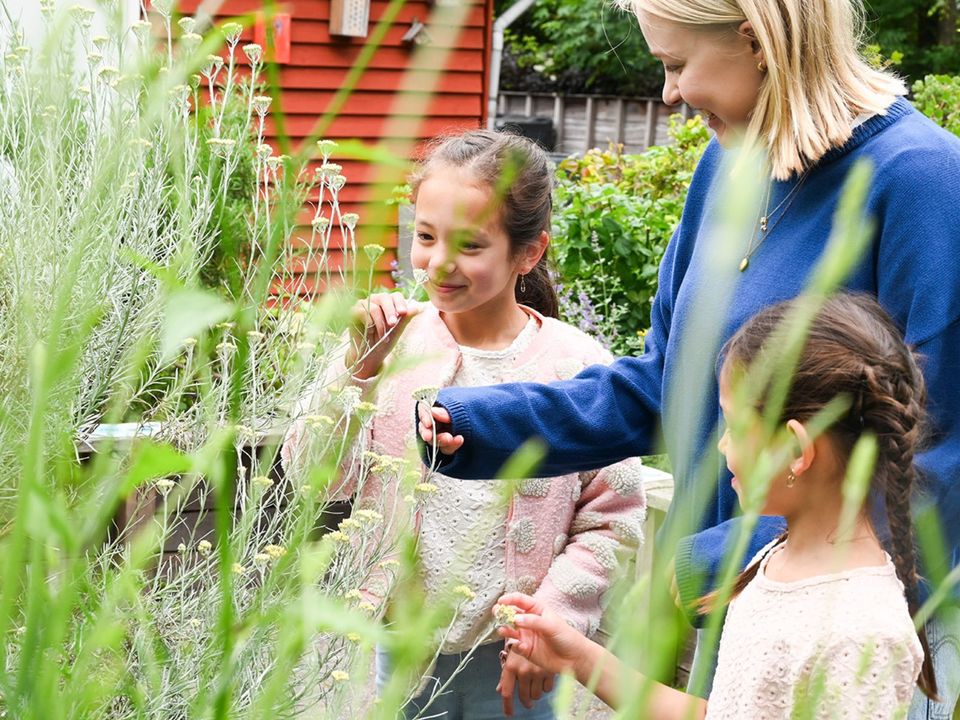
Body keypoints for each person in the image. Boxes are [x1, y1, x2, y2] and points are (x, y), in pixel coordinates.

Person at [416, 1, 960, 715]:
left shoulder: (923, 181)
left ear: (757, 40)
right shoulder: (725, 168)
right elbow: (663, 387)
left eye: (676, 64)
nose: (668, 92)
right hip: (731, 617)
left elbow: (937, 468)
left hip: (846, 634)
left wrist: (723, 559)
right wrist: (481, 423)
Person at [283, 129, 647, 719]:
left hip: (514, 660)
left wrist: (547, 623)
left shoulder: (578, 368)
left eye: (470, 245)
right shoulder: (387, 346)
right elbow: (311, 474)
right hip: (401, 648)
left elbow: (614, 515)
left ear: (528, 253)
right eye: (425, 236)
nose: (437, 262)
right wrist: (356, 372)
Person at [493, 293, 935, 718]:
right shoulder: (779, 556)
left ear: (797, 449)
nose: (723, 444)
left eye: (735, 426)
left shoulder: (861, 635)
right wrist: (576, 656)